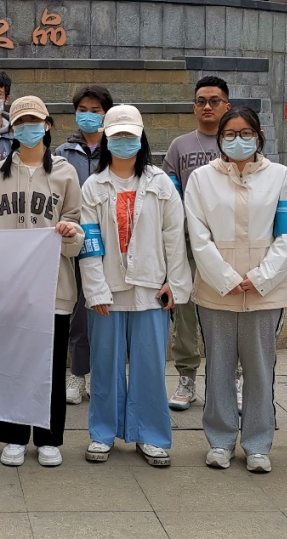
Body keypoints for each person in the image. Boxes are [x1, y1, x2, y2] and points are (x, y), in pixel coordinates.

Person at [184, 107, 287, 474]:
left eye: (246, 133)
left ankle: (258, 443)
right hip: (216, 292)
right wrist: (226, 278)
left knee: (260, 370)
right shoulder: (201, 179)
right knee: (218, 369)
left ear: (259, 136)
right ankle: (220, 441)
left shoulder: (281, 177)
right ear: (219, 139)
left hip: (266, 294)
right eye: (230, 134)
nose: (238, 140)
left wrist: (262, 277)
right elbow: (198, 236)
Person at [79, 105, 189, 467]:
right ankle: (103, 433)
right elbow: (90, 242)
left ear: (141, 137)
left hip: (151, 288)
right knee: (105, 366)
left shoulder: (161, 183)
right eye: (117, 136)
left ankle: (151, 435)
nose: (124, 141)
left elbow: (174, 236)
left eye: (130, 135)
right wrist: (95, 289)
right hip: (108, 291)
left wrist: (175, 282)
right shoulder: (93, 186)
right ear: (106, 140)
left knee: (150, 367)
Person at [0, 96, 84, 468]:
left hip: (53, 286)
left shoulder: (65, 173)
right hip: (9, 289)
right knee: (11, 364)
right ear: (12, 129)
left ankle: (49, 438)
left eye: (34, 121)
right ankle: (13, 435)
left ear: (48, 125)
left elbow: (77, 230)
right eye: (21, 122)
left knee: (51, 366)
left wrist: (70, 232)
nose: (28, 128)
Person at [162, 75, 231, 411]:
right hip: (188, 245)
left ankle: (231, 378)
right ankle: (186, 377)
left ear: (227, 106)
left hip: (228, 246)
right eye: (201, 101)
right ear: (194, 107)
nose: (207, 106)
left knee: (227, 314)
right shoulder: (180, 146)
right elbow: (170, 196)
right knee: (185, 315)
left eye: (214, 101)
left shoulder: (237, 142)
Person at [55, 84, 114, 408]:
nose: (89, 116)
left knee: (109, 310)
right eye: (83, 110)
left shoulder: (117, 148)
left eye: (96, 111)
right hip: (76, 242)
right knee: (79, 313)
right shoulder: (63, 153)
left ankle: (102, 375)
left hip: (114, 242)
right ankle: (78, 374)